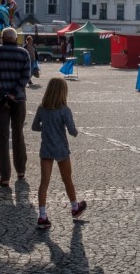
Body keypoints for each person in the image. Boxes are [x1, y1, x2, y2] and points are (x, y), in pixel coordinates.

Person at [31, 78, 86, 228]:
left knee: (44, 183)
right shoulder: (64, 110)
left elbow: (34, 126)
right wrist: (76, 132)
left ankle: (42, 216)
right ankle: (75, 207)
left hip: (46, 149)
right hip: (61, 149)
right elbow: (72, 130)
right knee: (67, 180)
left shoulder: (42, 108)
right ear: (63, 92)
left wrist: (45, 128)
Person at [0, 26, 32, 187]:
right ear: (15, 39)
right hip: (19, 99)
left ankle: (5, 176)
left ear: (2, 38)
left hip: (0, 100)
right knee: (18, 134)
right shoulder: (24, 53)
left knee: (2, 138)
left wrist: (4, 94)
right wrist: (14, 93)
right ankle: (21, 170)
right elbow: (26, 75)